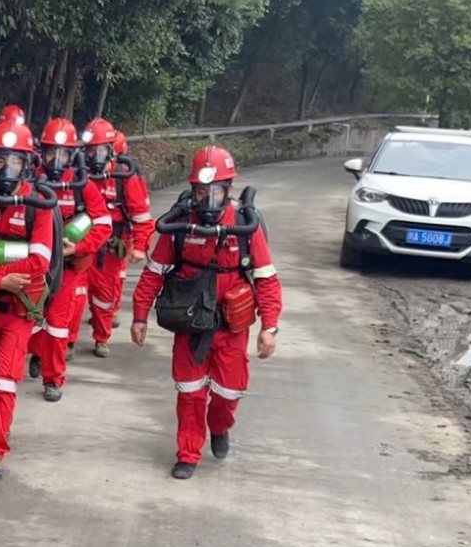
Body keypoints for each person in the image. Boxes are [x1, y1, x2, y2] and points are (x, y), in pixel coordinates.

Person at [130, 146, 282, 478]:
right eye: (202, 191)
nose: (209, 199)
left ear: (229, 189)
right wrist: (140, 315)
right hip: (190, 323)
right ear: (193, 190)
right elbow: (154, 273)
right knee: (190, 392)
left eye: (216, 191)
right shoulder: (179, 225)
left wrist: (269, 327)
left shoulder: (245, 225)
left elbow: (266, 279)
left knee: (229, 392)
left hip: (230, 328)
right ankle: (188, 453)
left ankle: (219, 426)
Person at [0, 117, 55, 479]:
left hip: (21, 309)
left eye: (15, 160)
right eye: (0, 160)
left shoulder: (39, 205)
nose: (7, 168)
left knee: (5, 377)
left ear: (27, 164)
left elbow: (40, 262)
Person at [28, 117, 111, 401]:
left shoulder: (81, 185)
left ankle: (53, 379)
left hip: (68, 267)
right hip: (35, 264)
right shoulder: (30, 180)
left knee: (57, 324)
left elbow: (103, 224)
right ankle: (37, 353)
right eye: (51, 152)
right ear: (42, 152)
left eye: (63, 154)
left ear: (73, 155)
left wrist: (78, 247)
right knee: (32, 316)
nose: (56, 160)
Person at [83, 119, 154, 357]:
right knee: (72, 295)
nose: (95, 156)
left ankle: (101, 337)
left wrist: (140, 246)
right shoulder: (79, 174)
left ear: (111, 150)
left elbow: (142, 215)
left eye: (101, 150)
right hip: (80, 243)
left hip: (111, 246)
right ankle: (66, 342)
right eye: (91, 150)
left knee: (104, 295)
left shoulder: (124, 177)